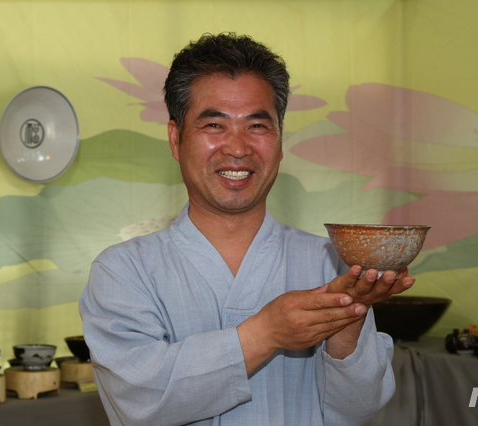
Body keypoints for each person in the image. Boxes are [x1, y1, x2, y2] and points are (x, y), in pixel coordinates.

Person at [79, 32, 415, 426]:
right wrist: (266, 333)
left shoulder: (332, 263)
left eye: (257, 125)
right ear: (176, 138)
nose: (238, 148)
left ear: (280, 139)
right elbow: (139, 401)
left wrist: (347, 321)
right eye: (214, 125)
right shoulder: (124, 271)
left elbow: (361, 409)